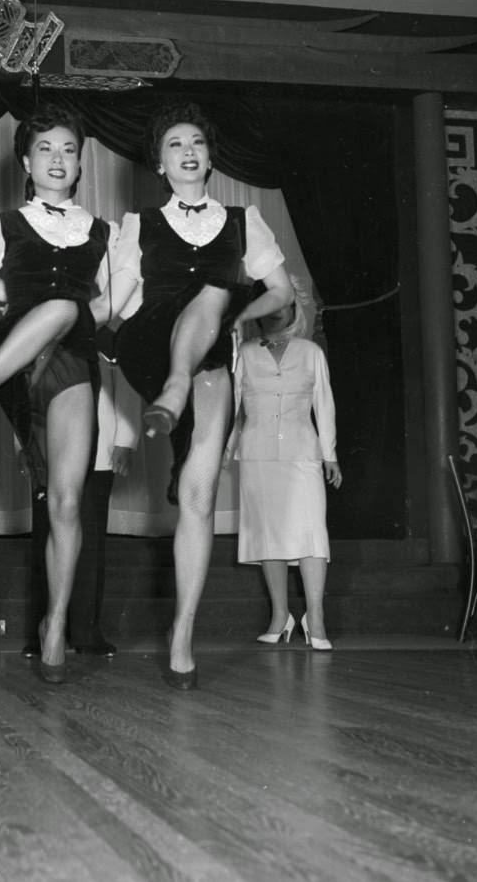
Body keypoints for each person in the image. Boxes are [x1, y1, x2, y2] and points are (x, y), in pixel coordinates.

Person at [0, 103, 118, 682]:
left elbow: (106, 305)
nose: (58, 159)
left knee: (65, 499)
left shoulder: (101, 232)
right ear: (25, 163)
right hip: (16, 358)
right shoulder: (4, 225)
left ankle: (54, 623)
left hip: (75, 359)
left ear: (79, 163)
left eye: (68, 150)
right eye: (45, 150)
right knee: (59, 304)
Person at [112, 101, 294, 690]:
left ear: (210, 157)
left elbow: (282, 294)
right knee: (219, 287)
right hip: (149, 343)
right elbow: (112, 305)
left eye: (196, 142)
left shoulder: (245, 220)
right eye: (174, 145)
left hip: (212, 359)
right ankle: (172, 384)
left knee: (199, 494)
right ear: (160, 164)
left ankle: (182, 635)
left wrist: (236, 315)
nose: (187, 151)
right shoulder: (138, 224)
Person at [233, 298, 342, 650]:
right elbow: (231, 406)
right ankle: (280, 616)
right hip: (257, 454)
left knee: (312, 533)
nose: (276, 311)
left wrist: (330, 455)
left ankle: (316, 616)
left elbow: (324, 402)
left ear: (294, 311)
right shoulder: (245, 354)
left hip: (302, 453)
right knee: (269, 535)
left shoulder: (311, 352)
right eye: (269, 304)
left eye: (283, 304)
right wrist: (222, 451)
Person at [21, 342, 141, 658]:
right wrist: (22, 444)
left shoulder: (105, 330)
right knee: (45, 539)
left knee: (88, 544)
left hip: (99, 451)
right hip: (46, 448)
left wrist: (125, 440)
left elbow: (126, 382)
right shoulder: (41, 332)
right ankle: (42, 632)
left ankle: (86, 632)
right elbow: (22, 393)